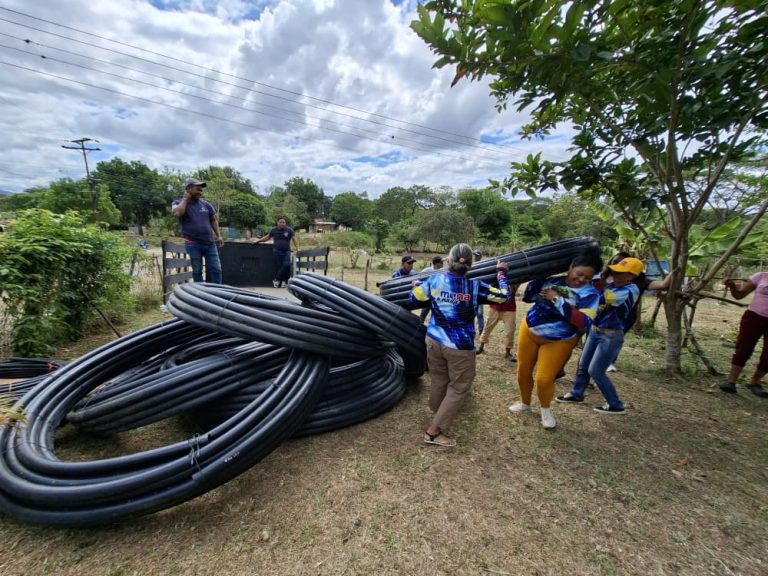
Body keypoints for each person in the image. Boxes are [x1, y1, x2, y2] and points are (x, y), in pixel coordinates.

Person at [411, 244, 511, 447]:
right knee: (459, 386)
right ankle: (433, 432)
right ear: (470, 264)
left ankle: (437, 412)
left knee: (439, 378)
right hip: (460, 346)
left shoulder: (434, 280)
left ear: (449, 260)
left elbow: (415, 298)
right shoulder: (475, 287)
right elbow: (504, 296)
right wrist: (501, 273)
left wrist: (415, 286)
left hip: (434, 340)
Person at [509, 245, 603, 429]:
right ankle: (525, 403)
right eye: (579, 273)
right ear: (570, 268)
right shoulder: (552, 281)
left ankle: (545, 410)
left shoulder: (590, 294)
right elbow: (528, 297)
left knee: (544, 379)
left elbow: (583, 321)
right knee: (523, 371)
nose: (581, 280)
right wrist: (538, 277)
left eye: (588, 278)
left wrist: (557, 299)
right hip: (529, 330)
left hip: (558, 340)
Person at [555, 257, 645, 414]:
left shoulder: (630, 291)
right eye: (614, 270)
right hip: (595, 330)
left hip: (610, 336)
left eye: (620, 272)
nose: (614, 273)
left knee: (595, 371)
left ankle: (615, 404)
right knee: (583, 366)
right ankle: (577, 394)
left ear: (631, 276)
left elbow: (597, 298)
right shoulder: (611, 286)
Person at [719, 272, 768, 398]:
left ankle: (754, 382)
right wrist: (732, 286)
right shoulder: (761, 276)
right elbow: (739, 295)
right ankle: (731, 381)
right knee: (743, 348)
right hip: (754, 318)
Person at [171, 178, 224, 284]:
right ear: (188, 189)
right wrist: (185, 200)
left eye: (201, 189)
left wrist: (218, 235)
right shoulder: (178, 202)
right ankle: (200, 294)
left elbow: (213, 220)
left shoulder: (206, 204)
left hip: (210, 244)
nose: (201, 191)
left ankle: (218, 293)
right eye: (198, 189)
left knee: (216, 269)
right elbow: (177, 214)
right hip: (193, 244)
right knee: (197, 270)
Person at [475, 283, 518, 362]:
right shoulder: (497, 276)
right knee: (487, 328)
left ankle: (508, 353)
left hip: (509, 309)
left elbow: (513, 291)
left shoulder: (514, 279)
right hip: (495, 308)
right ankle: (481, 347)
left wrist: (513, 285)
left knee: (510, 331)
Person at [252, 217, 299, 288]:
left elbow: (294, 239)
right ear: (277, 223)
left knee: (287, 265)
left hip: (286, 251)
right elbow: (267, 237)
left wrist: (297, 248)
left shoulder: (289, 230)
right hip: (276, 251)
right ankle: (284, 282)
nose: (282, 223)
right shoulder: (273, 230)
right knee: (279, 267)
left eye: (283, 222)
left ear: (285, 223)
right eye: (281, 222)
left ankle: (277, 280)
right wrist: (258, 241)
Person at [419, 256, 445, 324]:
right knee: (424, 313)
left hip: (437, 297)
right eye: (441, 262)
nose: (443, 264)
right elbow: (419, 280)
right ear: (437, 263)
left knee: (434, 315)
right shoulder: (426, 271)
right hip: (427, 296)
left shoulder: (443, 271)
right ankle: (419, 326)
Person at [473, 250, 486, 338]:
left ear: (480, 256)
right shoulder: (471, 265)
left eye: (477, 256)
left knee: (480, 314)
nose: (475, 257)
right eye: (474, 255)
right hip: (471, 293)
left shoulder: (485, 266)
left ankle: (481, 333)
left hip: (479, 293)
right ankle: (471, 332)